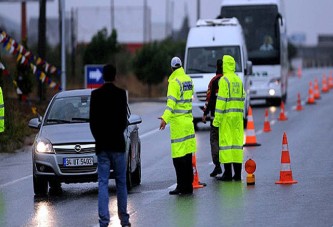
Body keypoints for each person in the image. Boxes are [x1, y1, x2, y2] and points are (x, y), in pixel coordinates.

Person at [89, 64, 131, 227]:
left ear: (102, 76)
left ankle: (104, 221)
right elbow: (123, 121)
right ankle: (124, 220)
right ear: (115, 76)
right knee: (121, 182)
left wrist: (99, 138)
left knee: (103, 183)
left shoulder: (95, 95)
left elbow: (92, 122)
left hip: (102, 147)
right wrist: (116, 134)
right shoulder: (121, 95)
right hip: (118, 146)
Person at [159, 56, 196, 195]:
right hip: (188, 121)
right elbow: (190, 96)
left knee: (178, 158)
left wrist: (164, 118)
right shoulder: (188, 79)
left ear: (171, 68)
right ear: (181, 66)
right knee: (187, 156)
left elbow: (171, 104)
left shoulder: (174, 82)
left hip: (179, 124)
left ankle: (181, 186)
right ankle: (189, 186)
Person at [213, 55, 245, 181]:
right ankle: (237, 174)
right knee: (237, 145)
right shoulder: (238, 80)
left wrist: (217, 120)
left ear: (225, 65)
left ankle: (227, 173)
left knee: (226, 145)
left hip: (226, 117)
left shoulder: (224, 81)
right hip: (237, 118)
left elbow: (221, 102)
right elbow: (243, 98)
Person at [202, 59, 223, 177]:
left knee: (215, 140)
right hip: (228, 117)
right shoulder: (229, 80)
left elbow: (209, 98)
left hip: (215, 116)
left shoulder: (214, 81)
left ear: (216, 66)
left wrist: (205, 113)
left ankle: (218, 166)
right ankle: (229, 167)